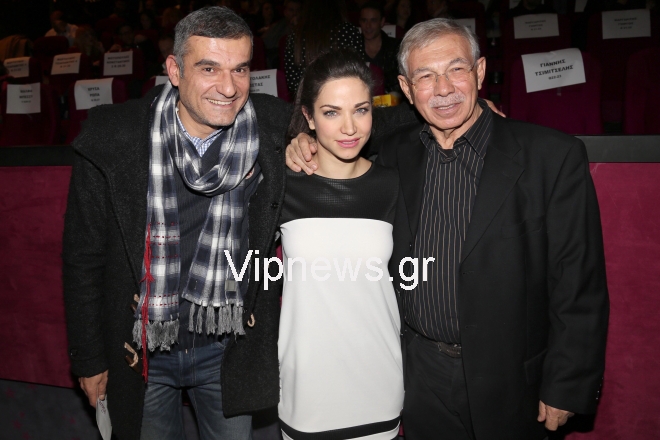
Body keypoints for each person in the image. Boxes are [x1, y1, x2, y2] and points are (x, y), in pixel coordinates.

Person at [286, 18, 609, 440]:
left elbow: (579, 282)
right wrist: (301, 139)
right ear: (406, 88)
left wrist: (568, 382)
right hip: (419, 378)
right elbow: (339, 122)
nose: (443, 89)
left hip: (512, 381)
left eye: (456, 69)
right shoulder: (395, 155)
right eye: (426, 76)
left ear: (480, 71)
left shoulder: (551, 157)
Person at [62, 6, 293, 440]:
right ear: (174, 69)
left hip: (227, 347)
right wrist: (89, 358)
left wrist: (304, 144)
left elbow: (354, 122)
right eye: (209, 68)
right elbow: (83, 257)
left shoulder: (272, 126)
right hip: (141, 350)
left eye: (240, 69)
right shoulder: (114, 138)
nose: (229, 87)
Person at [278, 48, 403, 439]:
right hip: (306, 390)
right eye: (331, 112)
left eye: (360, 110)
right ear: (309, 117)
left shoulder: (392, 185)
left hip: (378, 381)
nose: (350, 127)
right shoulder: (283, 186)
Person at [284, 0, 365, 97]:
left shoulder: (296, 34)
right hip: (343, 96)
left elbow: (292, 81)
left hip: (308, 99)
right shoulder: (349, 31)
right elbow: (359, 71)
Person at [359, 1, 401, 94]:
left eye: (373, 20)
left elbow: (399, 83)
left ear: (382, 22)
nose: (368, 26)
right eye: (364, 20)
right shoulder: (353, 48)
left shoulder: (395, 47)